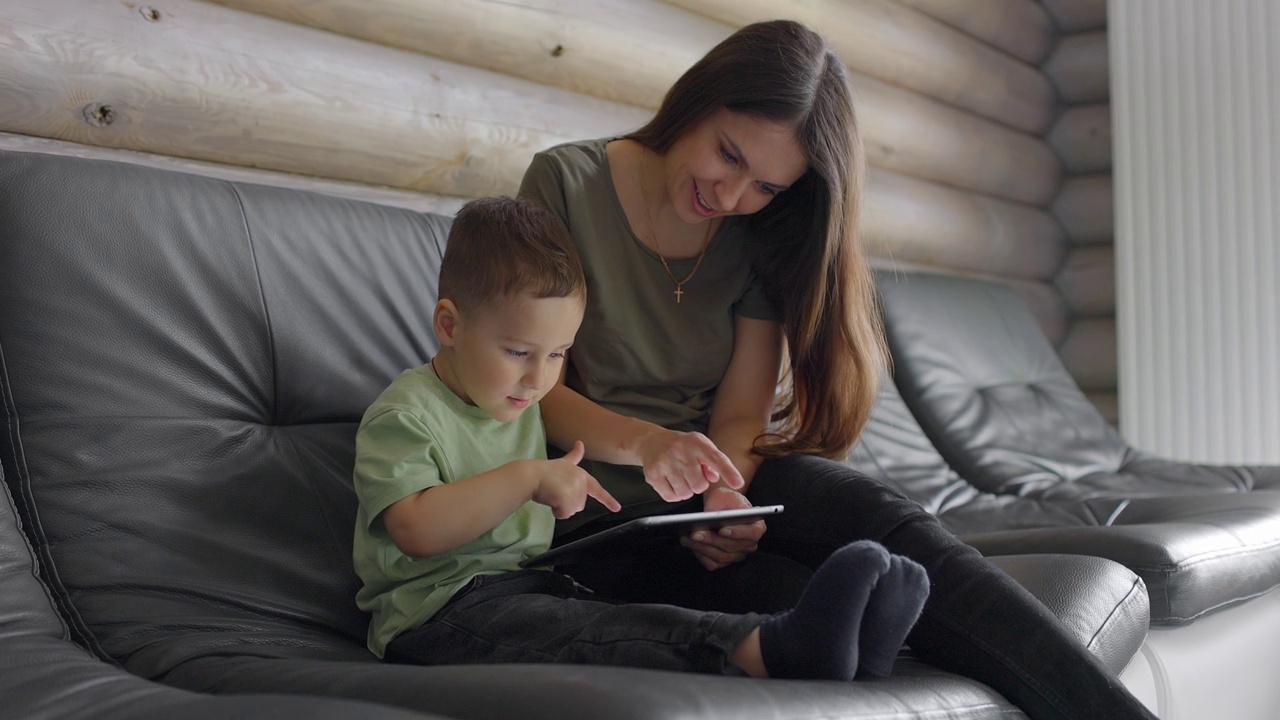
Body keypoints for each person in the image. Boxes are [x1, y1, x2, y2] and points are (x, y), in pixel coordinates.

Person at [517, 19, 1158, 720]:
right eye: (727, 155)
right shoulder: (566, 184)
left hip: (710, 482)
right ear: (698, 100)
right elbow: (529, 389)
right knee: (818, 601)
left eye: (764, 186)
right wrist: (649, 446)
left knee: (887, 524)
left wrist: (724, 495)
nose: (730, 197)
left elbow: (738, 416)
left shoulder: (758, 233)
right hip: (596, 509)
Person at [350, 195, 930, 681]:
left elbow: (606, 435)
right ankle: (770, 649)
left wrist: (656, 451)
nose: (538, 378)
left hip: (532, 584)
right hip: (435, 614)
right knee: (601, 635)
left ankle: (855, 649)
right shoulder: (406, 414)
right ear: (449, 325)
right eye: (519, 352)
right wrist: (528, 477)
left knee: (630, 610)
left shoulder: (516, 396)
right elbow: (416, 530)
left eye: (557, 355)